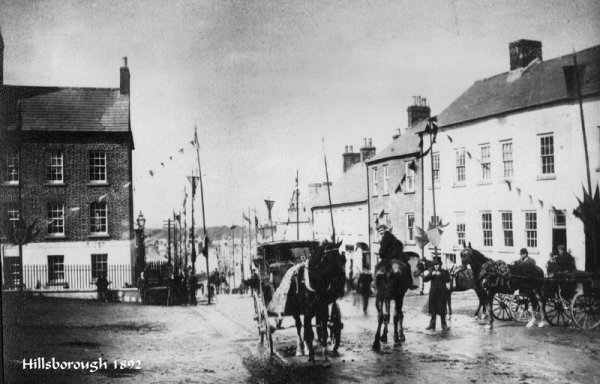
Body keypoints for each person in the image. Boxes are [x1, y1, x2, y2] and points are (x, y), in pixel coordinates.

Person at [375, 224, 418, 290]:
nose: (381, 232)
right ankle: (410, 283)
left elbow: (382, 250)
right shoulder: (391, 236)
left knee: (377, 267)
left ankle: (376, 284)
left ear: (384, 229)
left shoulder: (385, 237)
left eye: (382, 230)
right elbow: (400, 244)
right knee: (407, 266)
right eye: (379, 231)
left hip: (390, 257)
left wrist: (381, 254)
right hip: (398, 256)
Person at [422, 257, 450, 331]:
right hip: (433, 294)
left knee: (442, 310)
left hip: (442, 294)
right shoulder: (432, 272)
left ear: (440, 264)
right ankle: (432, 325)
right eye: (435, 265)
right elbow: (425, 279)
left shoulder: (444, 272)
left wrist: (440, 275)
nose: (436, 266)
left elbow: (448, 279)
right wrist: (432, 274)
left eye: (437, 265)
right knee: (433, 310)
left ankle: (444, 325)